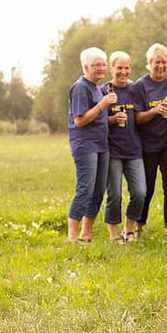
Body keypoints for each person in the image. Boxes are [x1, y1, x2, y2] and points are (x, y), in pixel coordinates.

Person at [132, 43, 167, 240]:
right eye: (156, 62)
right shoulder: (141, 85)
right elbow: (136, 118)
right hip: (147, 145)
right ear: (149, 64)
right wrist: (153, 111)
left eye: (164, 62)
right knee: (147, 188)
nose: (160, 66)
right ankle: (139, 224)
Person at [67, 47, 114, 243]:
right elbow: (79, 120)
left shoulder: (97, 87)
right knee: (85, 188)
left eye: (104, 64)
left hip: (101, 144)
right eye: (97, 65)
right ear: (86, 67)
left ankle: (86, 235)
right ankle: (71, 236)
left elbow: (96, 118)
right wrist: (102, 105)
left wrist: (111, 118)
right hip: (85, 146)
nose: (102, 69)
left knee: (98, 189)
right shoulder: (81, 87)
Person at [102, 51, 146, 243]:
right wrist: (112, 119)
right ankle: (113, 234)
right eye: (119, 67)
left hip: (134, 150)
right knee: (115, 194)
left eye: (126, 67)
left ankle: (128, 229)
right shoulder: (104, 91)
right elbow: (94, 118)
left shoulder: (135, 89)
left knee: (139, 192)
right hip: (112, 151)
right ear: (112, 68)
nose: (123, 71)